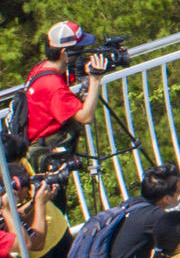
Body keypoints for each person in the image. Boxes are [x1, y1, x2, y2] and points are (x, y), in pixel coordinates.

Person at [20, 21, 114, 163]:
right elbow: (85, 117)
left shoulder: (43, 68)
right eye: (80, 49)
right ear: (65, 53)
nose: (83, 52)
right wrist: (95, 80)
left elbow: (69, 77)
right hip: (44, 150)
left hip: (35, 140)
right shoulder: (53, 85)